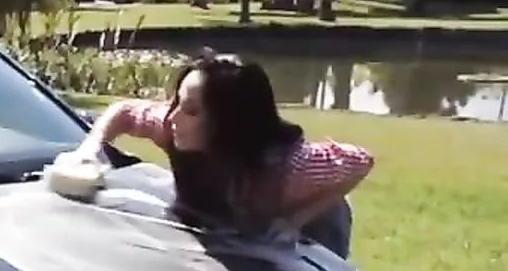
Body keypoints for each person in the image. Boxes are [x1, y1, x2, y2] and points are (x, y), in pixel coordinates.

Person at [73, 50, 373, 257]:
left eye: (191, 110)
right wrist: (91, 149)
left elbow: (360, 161)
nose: (173, 117)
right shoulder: (172, 128)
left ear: (228, 122)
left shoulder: (291, 166)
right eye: (176, 103)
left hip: (319, 220)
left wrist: (296, 220)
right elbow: (124, 112)